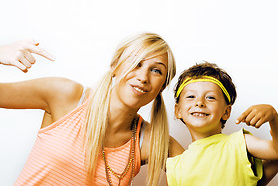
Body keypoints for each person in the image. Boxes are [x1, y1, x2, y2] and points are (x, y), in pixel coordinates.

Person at [0, 33, 184, 186]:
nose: (143, 76)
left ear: (163, 86)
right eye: (135, 62)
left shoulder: (150, 140)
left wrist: (200, 114)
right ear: (115, 66)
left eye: (156, 71)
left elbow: (203, 174)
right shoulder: (67, 96)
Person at [166, 62, 278, 186]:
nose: (199, 102)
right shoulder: (175, 166)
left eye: (210, 97)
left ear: (226, 112)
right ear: (178, 110)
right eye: (191, 96)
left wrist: (274, 117)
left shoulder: (239, 143)